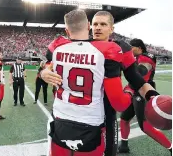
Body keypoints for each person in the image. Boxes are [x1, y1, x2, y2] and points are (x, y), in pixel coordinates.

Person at [41, 11, 164, 156]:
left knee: (109, 149)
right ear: (89, 26)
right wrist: (43, 72)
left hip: (107, 113)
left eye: (103, 24)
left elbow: (136, 80)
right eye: (95, 24)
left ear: (112, 29)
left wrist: (153, 97)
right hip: (78, 115)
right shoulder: (78, 45)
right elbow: (46, 64)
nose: (98, 27)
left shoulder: (121, 48)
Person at [118, 38, 172, 153]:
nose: (129, 49)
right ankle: (124, 146)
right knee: (124, 118)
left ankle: (171, 147)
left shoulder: (147, 56)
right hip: (134, 90)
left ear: (139, 48)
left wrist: (127, 67)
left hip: (144, 92)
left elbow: (142, 70)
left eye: (132, 47)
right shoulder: (134, 57)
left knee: (145, 126)